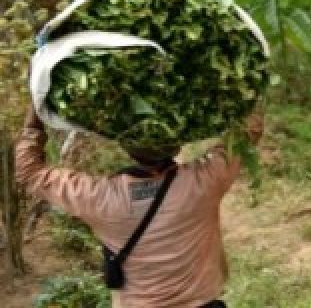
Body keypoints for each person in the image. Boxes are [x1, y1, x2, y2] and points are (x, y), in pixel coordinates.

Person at [15, 103, 265, 308]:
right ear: (178, 144)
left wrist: (36, 109)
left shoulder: (101, 198)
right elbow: (248, 131)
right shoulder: (202, 182)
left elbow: (29, 171)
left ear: (126, 147)